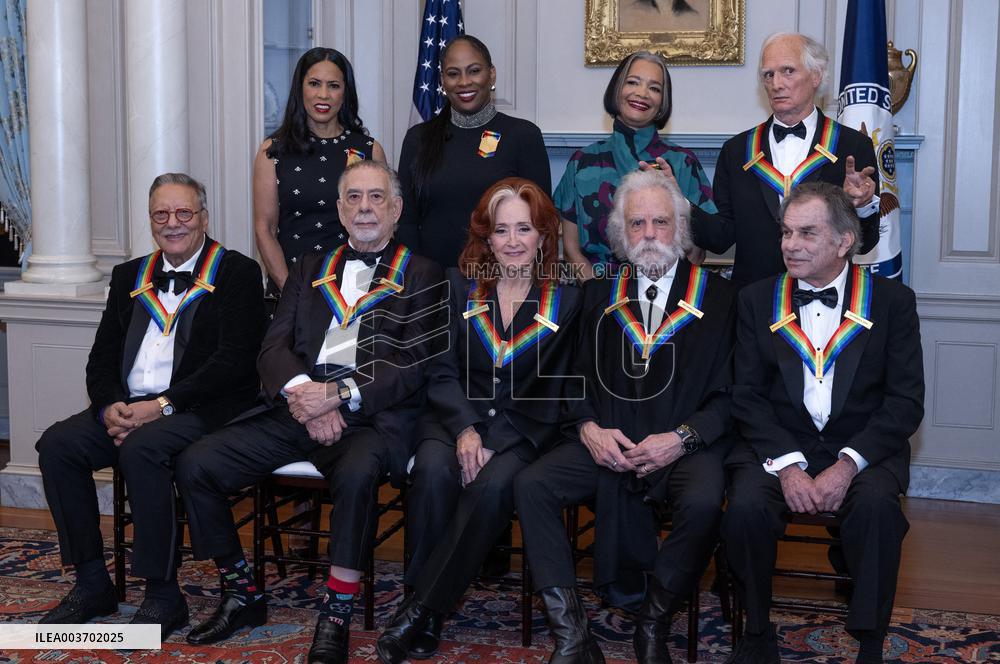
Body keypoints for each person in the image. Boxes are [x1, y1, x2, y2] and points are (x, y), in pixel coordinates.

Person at [174, 160, 444, 664]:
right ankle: (242, 593)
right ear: (340, 210)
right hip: (297, 410)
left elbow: (411, 365)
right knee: (198, 462)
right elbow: (272, 348)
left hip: (370, 418)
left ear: (396, 209)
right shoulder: (308, 266)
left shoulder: (424, 273)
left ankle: (336, 615)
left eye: (376, 198)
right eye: (355, 198)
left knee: (360, 473)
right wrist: (307, 395)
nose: (365, 208)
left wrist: (338, 395)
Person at [515, 169, 738, 664]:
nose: (651, 235)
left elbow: (731, 396)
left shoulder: (721, 300)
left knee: (703, 504)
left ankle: (654, 620)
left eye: (661, 222)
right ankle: (571, 632)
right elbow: (571, 378)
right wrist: (588, 429)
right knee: (532, 484)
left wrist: (681, 439)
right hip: (608, 442)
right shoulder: (597, 296)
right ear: (620, 234)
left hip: (683, 445)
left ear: (681, 229)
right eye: (637, 224)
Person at [34, 173, 265, 640]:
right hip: (131, 407)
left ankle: (163, 595)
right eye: (162, 214)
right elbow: (100, 358)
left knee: (143, 449)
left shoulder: (237, 272)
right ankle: (92, 583)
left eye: (184, 213)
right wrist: (109, 408)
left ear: (203, 216)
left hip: (199, 407)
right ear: (150, 220)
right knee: (57, 445)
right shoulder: (129, 275)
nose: (173, 223)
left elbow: (232, 365)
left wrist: (159, 407)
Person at [376, 178, 583, 663]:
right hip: (451, 420)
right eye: (502, 229)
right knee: (431, 471)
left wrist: (495, 439)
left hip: (522, 432)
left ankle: (420, 609)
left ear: (543, 236)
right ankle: (423, 603)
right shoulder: (456, 287)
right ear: (486, 237)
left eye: (524, 229)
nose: (512, 241)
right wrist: (467, 429)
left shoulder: (568, 301)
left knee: (492, 487)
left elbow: (553, 389)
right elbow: (439, 368)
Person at [722, 182, 923, 664]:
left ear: (843, 241)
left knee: (876, 507)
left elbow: (904, 402)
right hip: (780, 442)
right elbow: (746, 396)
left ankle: (870, 640)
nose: (791, 245)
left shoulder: (893, 302)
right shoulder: (755, 300)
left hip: (860, 446)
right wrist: (789, 466)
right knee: (745, 506)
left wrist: (848, 465)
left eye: (807, 233)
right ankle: (756, 629)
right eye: (787, 233)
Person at [683, 32, 880, 288]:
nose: (776, 83)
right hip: (753, 301)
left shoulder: (852, 146)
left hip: (827, 300)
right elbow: (721, 238)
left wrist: (862, 205)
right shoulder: (736, 150)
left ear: (816, 76)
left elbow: (867, 242)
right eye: (768, 74)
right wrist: (678, 205)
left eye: (788, 71)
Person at [556, 50, 717, 280]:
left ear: (663, 102)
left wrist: (661, 294)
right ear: (617, 89)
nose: (642, 93)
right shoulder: (582, 163)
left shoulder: (683, 163)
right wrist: (598, 296)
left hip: (666, 301)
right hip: (598, 297)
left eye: (654, 88)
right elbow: (572, 249)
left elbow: (697, 252)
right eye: (633, 82)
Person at [396, 35, 551, 269]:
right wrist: (417, 277)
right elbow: (406, 220)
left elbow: (541, 220)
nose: (464, 82)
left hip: (502, 280)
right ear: (442, 81)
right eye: (453, 73)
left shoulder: (523, 135)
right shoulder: (418, 139)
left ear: (492, 75)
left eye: (474, 70)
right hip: (433, 282)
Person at [254, 47, 387, 294]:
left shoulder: (369, 151)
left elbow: (383, 227)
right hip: (291, 288)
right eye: (314, 84)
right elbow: (265, 229)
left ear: (345, 93)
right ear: (300, 88)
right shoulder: (272, 152)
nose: (323, 95)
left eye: (333, 86)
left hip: (354, 290)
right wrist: (292, 293)